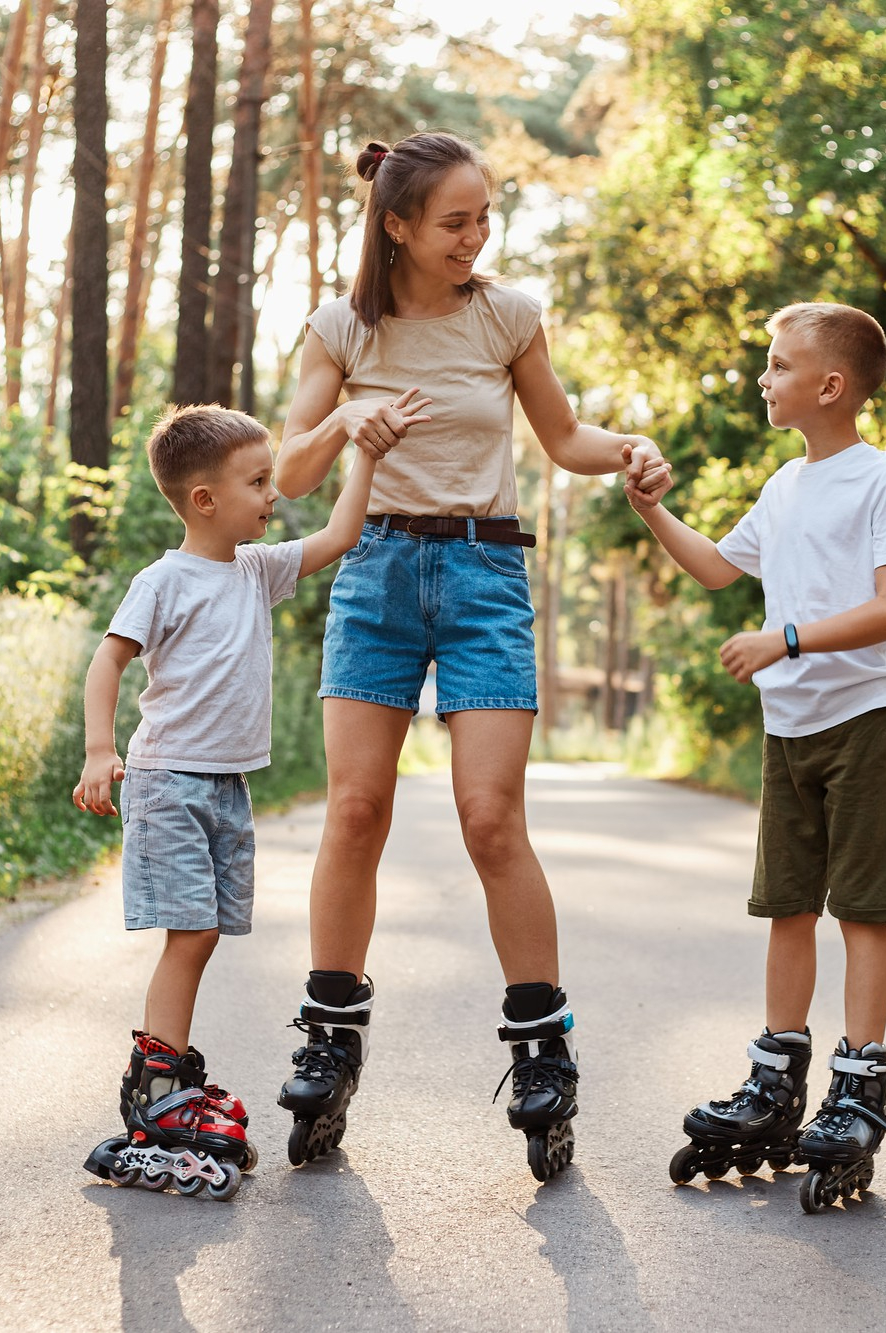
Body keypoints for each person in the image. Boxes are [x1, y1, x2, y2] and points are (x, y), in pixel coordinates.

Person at [269, 130, 670, 1181]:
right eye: (454, 221)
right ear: (396, 224)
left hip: (486, 575)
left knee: (490, 817)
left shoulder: (507, 316)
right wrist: (352, 415)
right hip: (376, 577)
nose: (474, 237)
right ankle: (329, 1032)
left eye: (483, 218)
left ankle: (542, 1051)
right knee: (355, 807)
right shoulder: (340, 326)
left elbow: (565, 438)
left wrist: (628, 449)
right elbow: (288, 469)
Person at [628, 302, 886, 1213]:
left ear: (829, 385)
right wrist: (653, 510)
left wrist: (786, 638)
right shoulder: (784, 485)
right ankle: (775, 1081)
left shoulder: (882, 481)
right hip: (787, 729)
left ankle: (857, 1090)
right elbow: (721, 569)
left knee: (862, 909)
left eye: (778, 363)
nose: (764, 377)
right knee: (787, 906)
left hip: (863, 720)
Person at [74, 404, 386, 1200]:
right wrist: (100, 751)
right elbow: (107, 662)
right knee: (193, 931)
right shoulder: (163, 580)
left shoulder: (257, 568)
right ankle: (157, 1085)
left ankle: (166, 1073)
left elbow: (339, 537)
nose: (272, 494)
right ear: (204, 499)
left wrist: (364, 453)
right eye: (257, 482)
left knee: (206, 932)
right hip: (167, 779)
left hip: (226, 784)